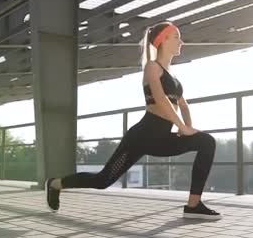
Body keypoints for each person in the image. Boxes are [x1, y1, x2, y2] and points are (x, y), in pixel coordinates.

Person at [45, 21, 221, 220]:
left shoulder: (174, 77)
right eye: (176, 37)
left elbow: (183, 105)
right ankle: (54, 184)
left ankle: (193, 205)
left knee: (206, 142)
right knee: (102, 180)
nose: (181, 42)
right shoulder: (152, 68)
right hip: (141, 137)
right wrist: (181, 126)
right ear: (163, 40)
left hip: (162, 139)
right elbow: (162, 101)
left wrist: (186, 128)